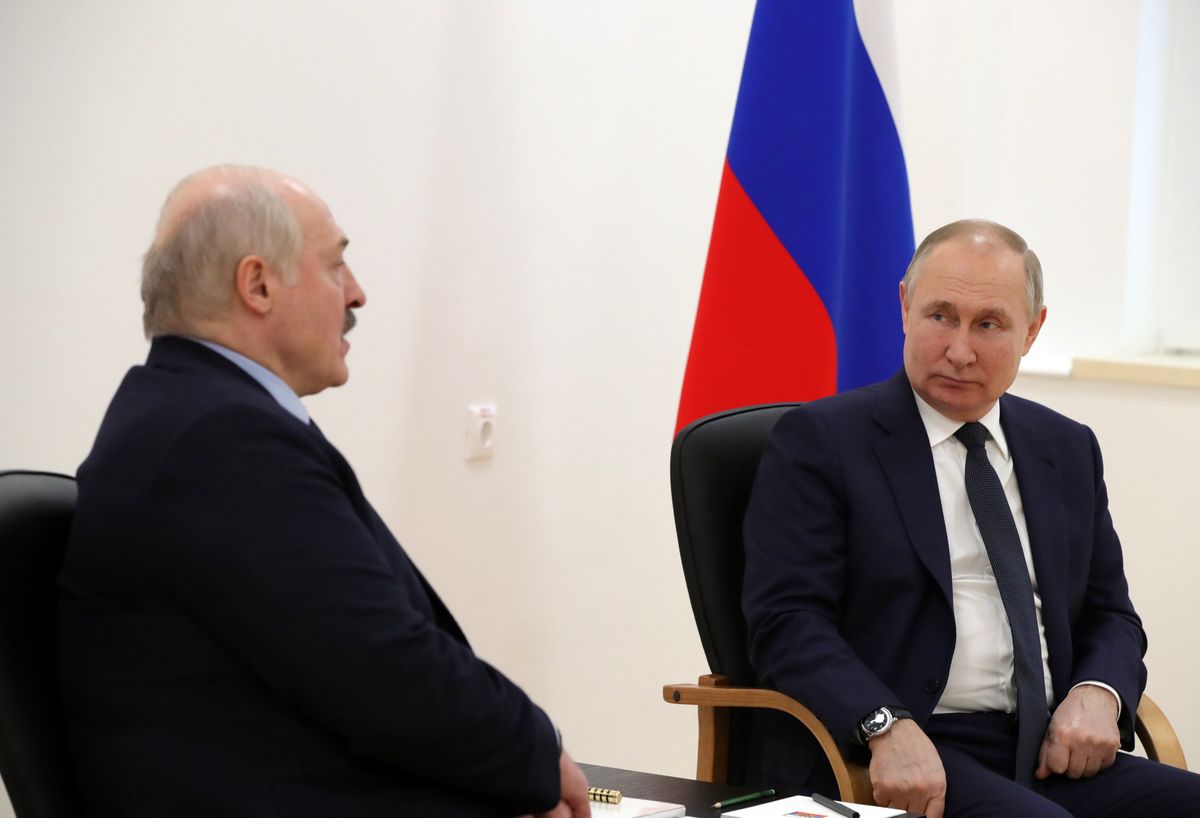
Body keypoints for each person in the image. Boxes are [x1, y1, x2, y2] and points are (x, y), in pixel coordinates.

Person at [58, 165, 590, 818]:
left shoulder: (189, 414)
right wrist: (537, 759)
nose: (358, 295)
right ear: (257, 285)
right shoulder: (218, 440)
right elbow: (385, 673)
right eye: (336, 267)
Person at [741, 220, 1200, 817]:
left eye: (988, 324)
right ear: (905, 306)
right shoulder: (822, 443)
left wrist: (1099, 692)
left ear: (1032, 331)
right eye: (940, 316)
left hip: (1044, 747)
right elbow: (786, 622)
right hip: (884, 748)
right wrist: (883, 725)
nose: (960, 350)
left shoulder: (1065, 448)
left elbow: (1109, 612)